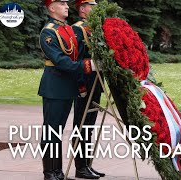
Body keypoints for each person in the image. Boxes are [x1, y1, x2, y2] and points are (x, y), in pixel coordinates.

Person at [39, 0, 96, 179]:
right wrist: (88, 65)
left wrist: (80, 82)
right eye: (61, 3)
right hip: (54, 86)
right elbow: (60, 60)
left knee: (58, 131)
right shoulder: (48, 31)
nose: (66, 6)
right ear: (51, 8)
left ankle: (59, 172)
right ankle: (50, 172)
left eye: (65, 2)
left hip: (67, 87)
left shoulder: (67, 29)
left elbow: (73, 55)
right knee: (52, 131)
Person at [71, 0, 105, 179]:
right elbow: (75, 59)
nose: (95, 9)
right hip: (85, 84)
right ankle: (80, 167)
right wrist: (81, 85)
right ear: (82, 9)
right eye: (91, 6)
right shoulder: (78, 29)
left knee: (89, 126)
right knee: (81, 126)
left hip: (96, 83)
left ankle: (87, 165)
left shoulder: (95, 28)